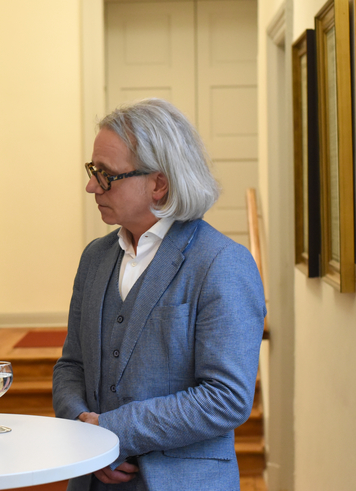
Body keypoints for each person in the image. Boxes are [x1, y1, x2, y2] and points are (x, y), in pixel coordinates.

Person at [52, 98, 265, 491]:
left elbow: (227, 398)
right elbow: (71, 367)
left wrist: (113, 431)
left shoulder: (222, 264)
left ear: (159, 184)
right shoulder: (95, 258)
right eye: (92, 171)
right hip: (92, 480)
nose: (90, 186)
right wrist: (85, 433)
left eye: (106, 174)